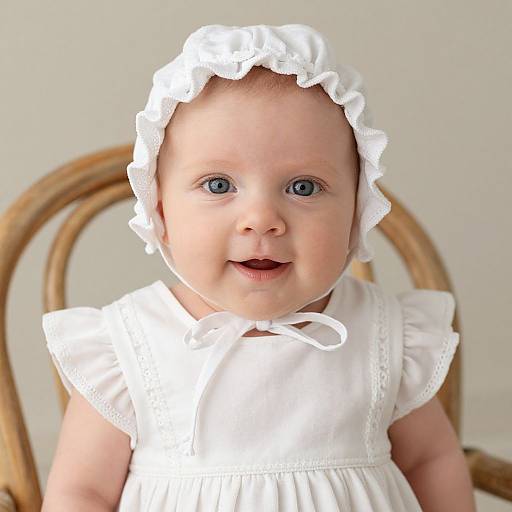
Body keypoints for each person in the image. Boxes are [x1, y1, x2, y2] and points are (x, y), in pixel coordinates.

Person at [41, 23, 476, 511]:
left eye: (304, 187)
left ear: (357, 210)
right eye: (219, 185)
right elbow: (82, 493)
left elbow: (430, 461)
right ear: (159, 210)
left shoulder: (381, 334)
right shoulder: (129, 349)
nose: (262, 221)